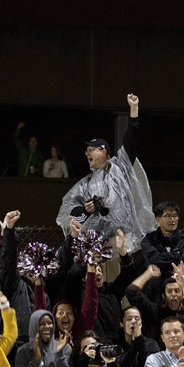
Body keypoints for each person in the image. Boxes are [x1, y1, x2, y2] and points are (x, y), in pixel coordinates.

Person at [56, 94, 154, 255]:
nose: (87, 153)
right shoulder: (85, 183)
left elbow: (131, 141)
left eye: (92, 149)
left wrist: (134, 110)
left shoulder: (119, 166)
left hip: (120, 239)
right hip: (94, 243)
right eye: (86, 150)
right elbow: (68, 212)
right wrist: (86, 210)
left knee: (117, 278)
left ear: (104, 151)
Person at [141, 201, 184, 279]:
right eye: (168, 216)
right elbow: (154, 260)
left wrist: (162, 258)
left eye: (175, 216)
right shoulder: (149, 240)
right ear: (158, 220)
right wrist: (177, 255)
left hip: (179, 283)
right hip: (155, 284)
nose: (172, 219)